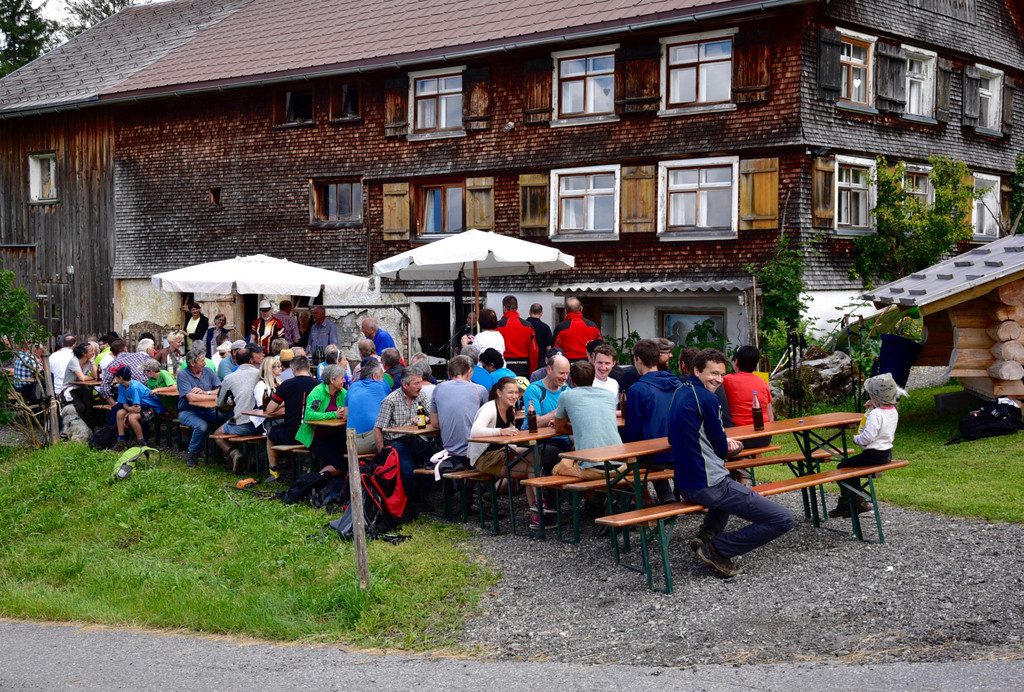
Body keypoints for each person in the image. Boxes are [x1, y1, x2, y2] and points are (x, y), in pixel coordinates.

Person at [670, 348, 794, 578]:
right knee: (783, 519)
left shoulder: (679, 392)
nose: (718, 379)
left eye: (721, 374)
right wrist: (736, 447)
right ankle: (718, 549)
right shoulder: (708, 399)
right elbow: (722, 450)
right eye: (713, 373)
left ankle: (707, 533)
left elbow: (676, 437)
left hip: (685, 482)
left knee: (729, 485)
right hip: (708, 484)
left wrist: (716, 441)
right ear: (696, 370)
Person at [829, 373, 905, 519]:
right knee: (850, 467)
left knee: (842, 468)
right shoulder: (892, 411)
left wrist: (857, 439)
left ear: (875, 397)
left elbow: (868, 437)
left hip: (872, 455)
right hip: (886, 454)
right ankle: (852, 501)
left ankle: (854, 502)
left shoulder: (876, 414)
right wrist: (870, 409)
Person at [469, 377, 541, 526]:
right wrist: (500, 431)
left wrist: (511, 449)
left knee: (535, 456)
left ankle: (537, 510)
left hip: (502, 452)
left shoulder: (510, 410)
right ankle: (539, 507)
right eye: (510, 392)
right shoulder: (489, 408)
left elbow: (510, 437)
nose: (514, 396)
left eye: (516, 392)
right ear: (499, 393)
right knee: (533, 465)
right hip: (485, 457)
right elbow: (474, 431)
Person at [622, 339, 681, 504]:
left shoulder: (637, 389)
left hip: (654, 454)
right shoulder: (677, 382)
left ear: (639, 360)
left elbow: (633, 430)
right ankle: (667, 496)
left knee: (628, 454)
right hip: (678, 448)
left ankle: (630, 503)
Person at [551, 361, 622, 480]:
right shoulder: (609, 395)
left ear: (572, 380)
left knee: (556, 471)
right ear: (593, 377)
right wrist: (585, 427)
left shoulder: (566, 396)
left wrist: (582, 428)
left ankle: (593, 493)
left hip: (594, 467)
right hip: (621, 464)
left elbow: (559, 428)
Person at [374, 370, 434, 498]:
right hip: (395, 442)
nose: (420, 387)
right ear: (405, 385)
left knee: (437, 460)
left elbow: (433, 418)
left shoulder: (421, 395)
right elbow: (378, 428)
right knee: (409, 471)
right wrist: (382, 454)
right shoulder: (390, 400)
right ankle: (409, 502)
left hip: (414, 439)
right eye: (416, 383)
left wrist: (427, 418)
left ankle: (421, 497)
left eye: (421, 382)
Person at [264, 354, 319, 481]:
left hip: (292, 435)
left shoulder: (287, 384)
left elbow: (270, 409)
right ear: (308, 368)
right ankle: (311, 466)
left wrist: (284, 402)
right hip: (313, 435)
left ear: (293, 369)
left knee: (271, 431)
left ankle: (274, 470)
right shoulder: (318, 385)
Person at [520, 354, 571, 488]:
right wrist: (558, 411)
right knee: (556, 456)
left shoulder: (567, 391)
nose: (565, 377)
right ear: (549, 370)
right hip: (542, 443)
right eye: (561, 373)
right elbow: (534, 422)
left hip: (564, 441)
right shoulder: (534, 389)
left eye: (567, 373)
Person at [429, 355, 489, 468]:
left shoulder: (438, 388)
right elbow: (489, 424)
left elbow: (435, 424)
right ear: (469, 373)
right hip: (476, 454)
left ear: (448, 374)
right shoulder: (480, 390)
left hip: (449, 454)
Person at [212, 348, 261, 472]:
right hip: (263, 425)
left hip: (243, 425)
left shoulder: (229, 378)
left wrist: (231, 400)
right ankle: (252, 456)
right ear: (251, 360)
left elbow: (219, 403)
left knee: (217, 434)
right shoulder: (261, 374)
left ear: (236, 362)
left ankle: (233, 452)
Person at [295, 363, 348, 470]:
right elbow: (309, 415)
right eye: (342, 378)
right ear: (332, 380)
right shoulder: (318, 392)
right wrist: (334, 414)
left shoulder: (342, 392)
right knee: (340, 464)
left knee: (349, 458)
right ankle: (319, 478)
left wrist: (346, 410)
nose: (344, 381)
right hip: (316, 436)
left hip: (336, 434)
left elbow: (352, 407)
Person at [176, 348, 224, 467]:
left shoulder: (208, 371)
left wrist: (205, 393)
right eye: (202, 361)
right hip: (188, 411)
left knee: (223, 420)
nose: (205, 363)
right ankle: (192, 453)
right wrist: (213, 396)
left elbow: (220, 390)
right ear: (192, 363)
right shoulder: (183, 374)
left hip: (208, 410)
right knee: (202, 426)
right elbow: (191, 398)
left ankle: (220, 452)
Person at [722, 345, 773, 448]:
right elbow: (770, 415)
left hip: (738, 437)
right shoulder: (763, 383)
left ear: (736, 362)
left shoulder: (727, 380)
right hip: (764, 437)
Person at [110, 365, 164, 451]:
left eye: (115, 376)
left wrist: (128, 413)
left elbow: (137, 409)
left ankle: (141, 443)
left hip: (153, 408)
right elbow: (124, 404)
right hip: (139, 407)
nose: (114, 377)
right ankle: (121, 441)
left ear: (120, 377)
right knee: (120, 413)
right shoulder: (121, 386)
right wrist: (129, 410)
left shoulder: (134, 387)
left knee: (132, 417)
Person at [347, 359, 392, 454]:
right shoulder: (381, 385)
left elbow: (345, 416)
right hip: (373, 441)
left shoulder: (352, 387)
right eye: (381, 376)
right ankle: (384, 460)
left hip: (352, 444)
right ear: (374, 376)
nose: (382, 379)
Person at [496, 295, 539, 377]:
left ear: (504, 308)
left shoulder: (498, 326)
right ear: (517, 307)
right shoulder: (528, 326)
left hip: (504, 367)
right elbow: (534, 351)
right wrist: (532, 370)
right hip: (523, 366)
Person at [552, 297, 602, 362]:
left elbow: (555, 349)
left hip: (568, 362)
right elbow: (600, 346)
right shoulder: (592, 326)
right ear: (581, 309)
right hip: (588, 362)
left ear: (565, 311)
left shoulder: (561, 327)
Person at [62, 342, 97, 421]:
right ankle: (73, 424)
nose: (93, 353)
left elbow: (96, 376)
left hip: (80, 388)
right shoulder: (74, 360)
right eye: (91, 351)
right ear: (84, 353)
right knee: (80, 407)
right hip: (68, 389)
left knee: (89, 404)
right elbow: (82, 378)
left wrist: (92, 362)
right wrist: (91, 377)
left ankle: (88, 426)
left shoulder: (88, 361)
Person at [250, 355, 283, 431]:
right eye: (278, 366)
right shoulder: (261, 385)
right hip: (268, 420)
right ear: (271, 368)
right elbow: (262, 407)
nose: (281, 368)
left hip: (280, 417)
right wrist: (282, 403)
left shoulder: (280, 382)